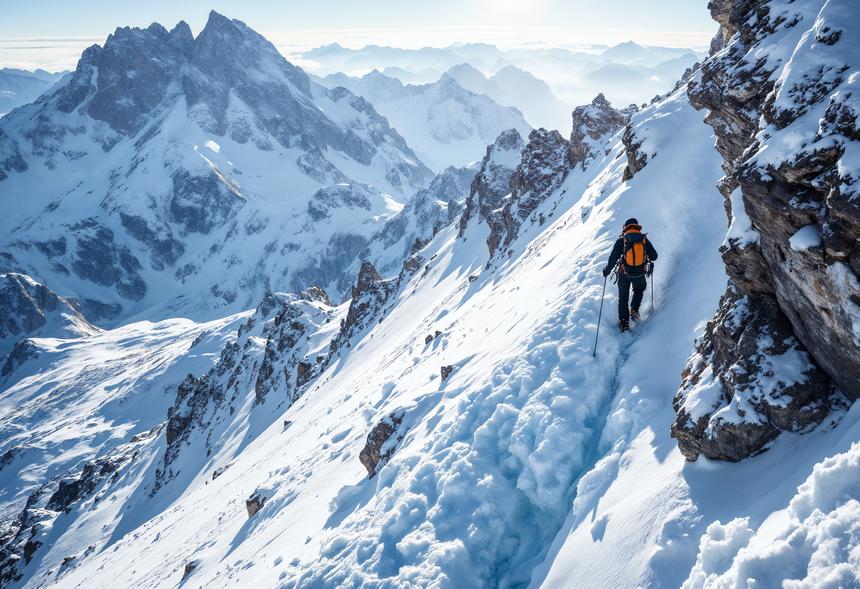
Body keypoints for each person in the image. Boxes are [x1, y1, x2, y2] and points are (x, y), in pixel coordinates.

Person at [602, 218, 658, 332]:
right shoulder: (643, 240)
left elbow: (613, 258)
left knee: (623, 297)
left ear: (625, 228)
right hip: (639, 274)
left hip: (623, 273)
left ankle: (624, 323)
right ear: (636, 227)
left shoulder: (622, 240)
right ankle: (634, 310)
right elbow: (654, 257)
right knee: (639, 289)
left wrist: (607, 270)